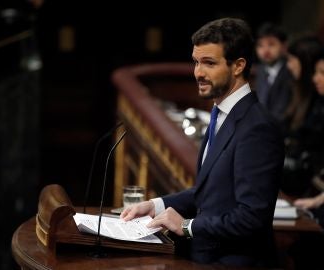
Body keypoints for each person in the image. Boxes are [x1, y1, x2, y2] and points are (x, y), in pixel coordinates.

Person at [121, 17, 284, 267]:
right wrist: (155, 205)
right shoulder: (221, 113)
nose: (198, 72)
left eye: (209, 63)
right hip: (206, 257)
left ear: (238, 66)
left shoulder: (258, 127)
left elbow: (252, 218)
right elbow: (211, 194)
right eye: (196, 62)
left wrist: (187, 226)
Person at [280, 35, 324, 197]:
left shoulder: (318, 101)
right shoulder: (300, 92)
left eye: (292, 60)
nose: (288, 66)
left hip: (306, 185)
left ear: (305, 64)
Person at [254, 22, 293, 121]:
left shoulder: (290, 70)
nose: (265, 50)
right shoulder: (260, 70)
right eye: (260, 45)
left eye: (271, 44)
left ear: (284, 46)